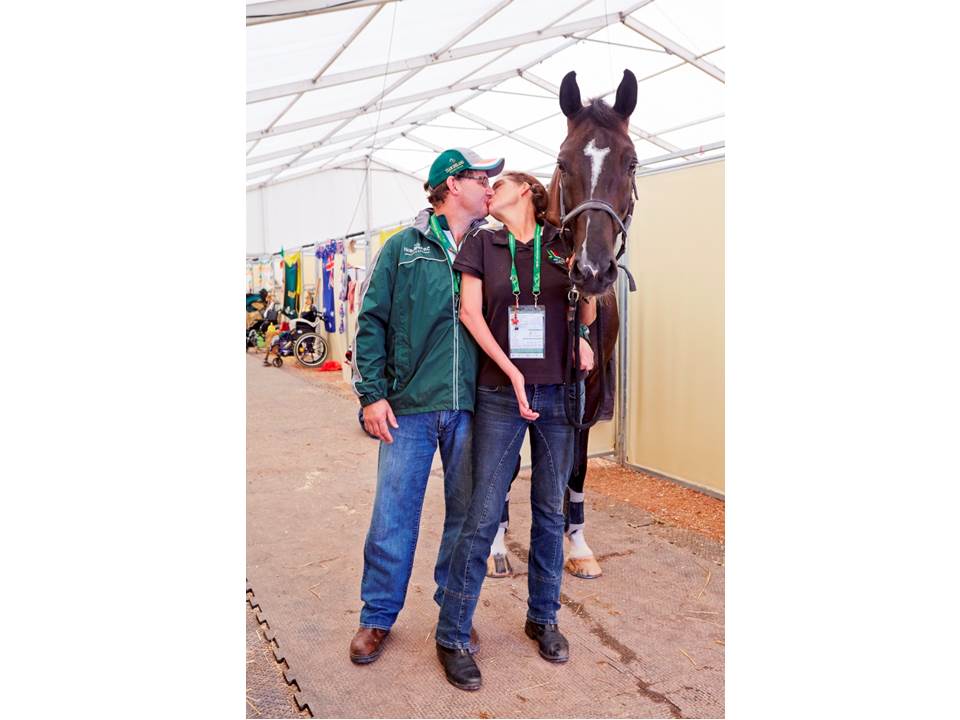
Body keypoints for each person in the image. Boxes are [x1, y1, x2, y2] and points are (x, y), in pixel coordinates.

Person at [433, 172, 596, 690]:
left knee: (550, 513)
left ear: (525, 190)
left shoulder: (563, 242)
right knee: (482, 515)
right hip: (501, 394)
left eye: (498, 184)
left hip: (557, 393)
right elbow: (471, 314)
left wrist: (586, 321)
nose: (489, 192)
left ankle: (543, 619)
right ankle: (452, 633)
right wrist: (513, 371)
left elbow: (585, 307)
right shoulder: (483, 241)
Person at [347, 148, 504, 665]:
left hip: (470, 407)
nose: (490, 188)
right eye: (483, 179)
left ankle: (453, 609)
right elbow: (370, 322)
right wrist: (371, 395)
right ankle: (377, 616)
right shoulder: (401, 248)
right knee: (394, 515)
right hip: (408, 407)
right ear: (453, 185)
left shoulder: (490, 248)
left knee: (465, 516)